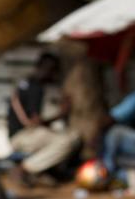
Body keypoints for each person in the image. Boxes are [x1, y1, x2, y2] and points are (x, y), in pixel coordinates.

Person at [7, 52, 81, 183]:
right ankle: (25, 168)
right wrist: (61, 114)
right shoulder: (35, 87)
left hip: (22, 135)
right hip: (23, 136)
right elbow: (35, 122)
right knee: (67, 141)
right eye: (53, 71)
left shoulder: (26, 83)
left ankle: (47, 171)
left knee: (72, 136)